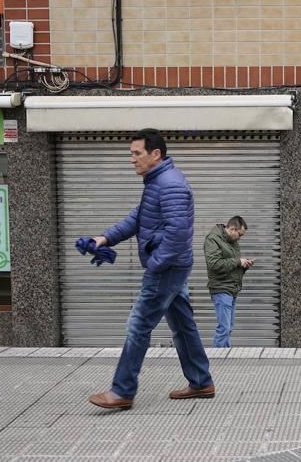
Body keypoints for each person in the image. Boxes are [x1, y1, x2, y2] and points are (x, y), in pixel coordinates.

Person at [88, 128, 214, 410]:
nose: (132, 159)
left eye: (137, 153)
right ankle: (201, 381)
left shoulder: (170, 185)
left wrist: (155, 265)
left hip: (167, 268)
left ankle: (122, 391)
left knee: (138, 324)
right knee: (182, 324)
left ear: (155, 154)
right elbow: (138, 219)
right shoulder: (156, 183)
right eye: (131, 154)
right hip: (172, 266)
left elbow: (178, 233)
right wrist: (105, 238)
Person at [203, 216, 253, 347]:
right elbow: (214, 264)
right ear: (232, 229)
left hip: (231, 289)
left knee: (228, 328)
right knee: (224, 328)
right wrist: (237, 261)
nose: (240, 238)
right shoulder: (213, 239)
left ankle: (224, 357)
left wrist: (243, 266)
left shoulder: (232, 242)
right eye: (240, 235)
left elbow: (231, 266)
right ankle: (217, 359)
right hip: (221, 289)